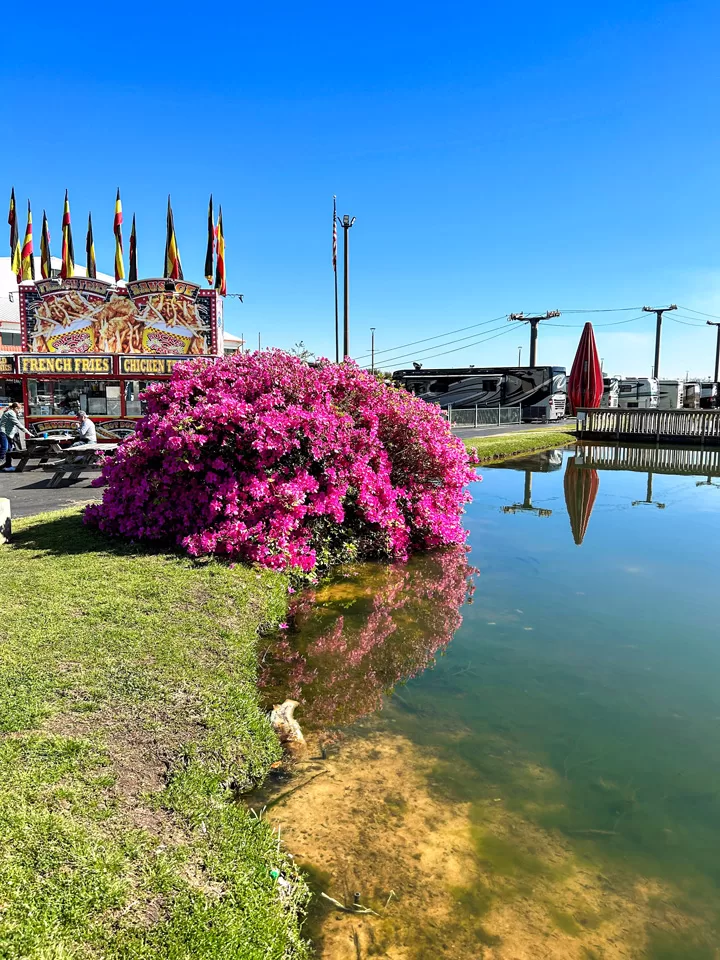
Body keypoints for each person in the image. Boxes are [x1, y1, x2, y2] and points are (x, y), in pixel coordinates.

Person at [0, 402, 34, 471]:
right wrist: (28, 433)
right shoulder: (11, 413)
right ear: (15, 408)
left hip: (8, 433)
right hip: (3, 432)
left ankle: (8, 465)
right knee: (4, 448)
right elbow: (18, 424)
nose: (20, 411)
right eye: (19, 409)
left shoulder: (13, 413)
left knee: (9, 450)